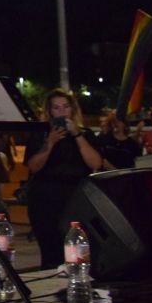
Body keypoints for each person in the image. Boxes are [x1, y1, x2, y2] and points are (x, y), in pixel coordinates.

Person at [24, 89, 102, 268]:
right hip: (46, 197)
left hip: (75, 196)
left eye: (66, 107)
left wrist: (77, 135)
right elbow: (33, 166)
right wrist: (50, 143)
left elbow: (95, 162)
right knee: (51, 249)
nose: (62, 112)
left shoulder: (85, 134)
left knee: (77, 250)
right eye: (56, 108)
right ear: (50, 111)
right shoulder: (41, 135)